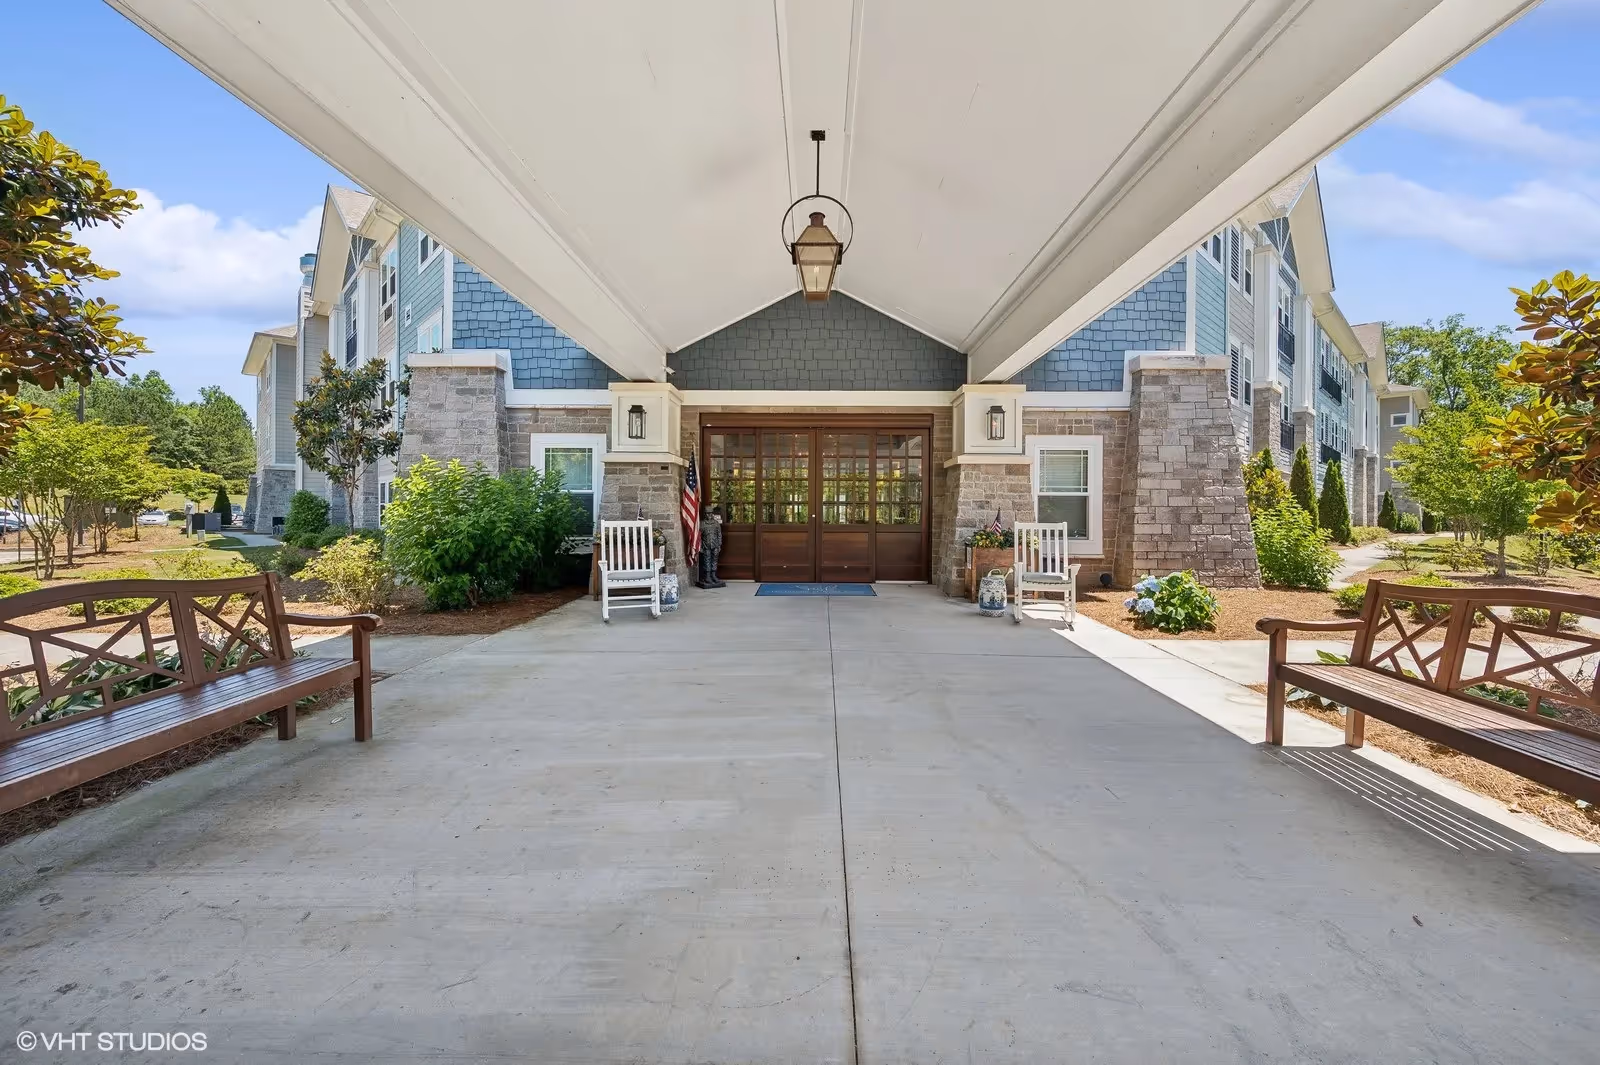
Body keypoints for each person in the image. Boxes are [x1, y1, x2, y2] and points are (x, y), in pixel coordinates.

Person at [697, 505, 726, 588]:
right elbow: (699, 536)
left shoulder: (716, 524)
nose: (708, 515)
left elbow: (719, 535)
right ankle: (707, 576)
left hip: (715, 545)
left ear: (712, 514)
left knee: (714, 561)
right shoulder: (702, 524)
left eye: (710, 513)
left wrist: (719, 544)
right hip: (706, 546)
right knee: (707, 560)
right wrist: (701, 546)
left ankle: (713, 575)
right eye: (706, 513)